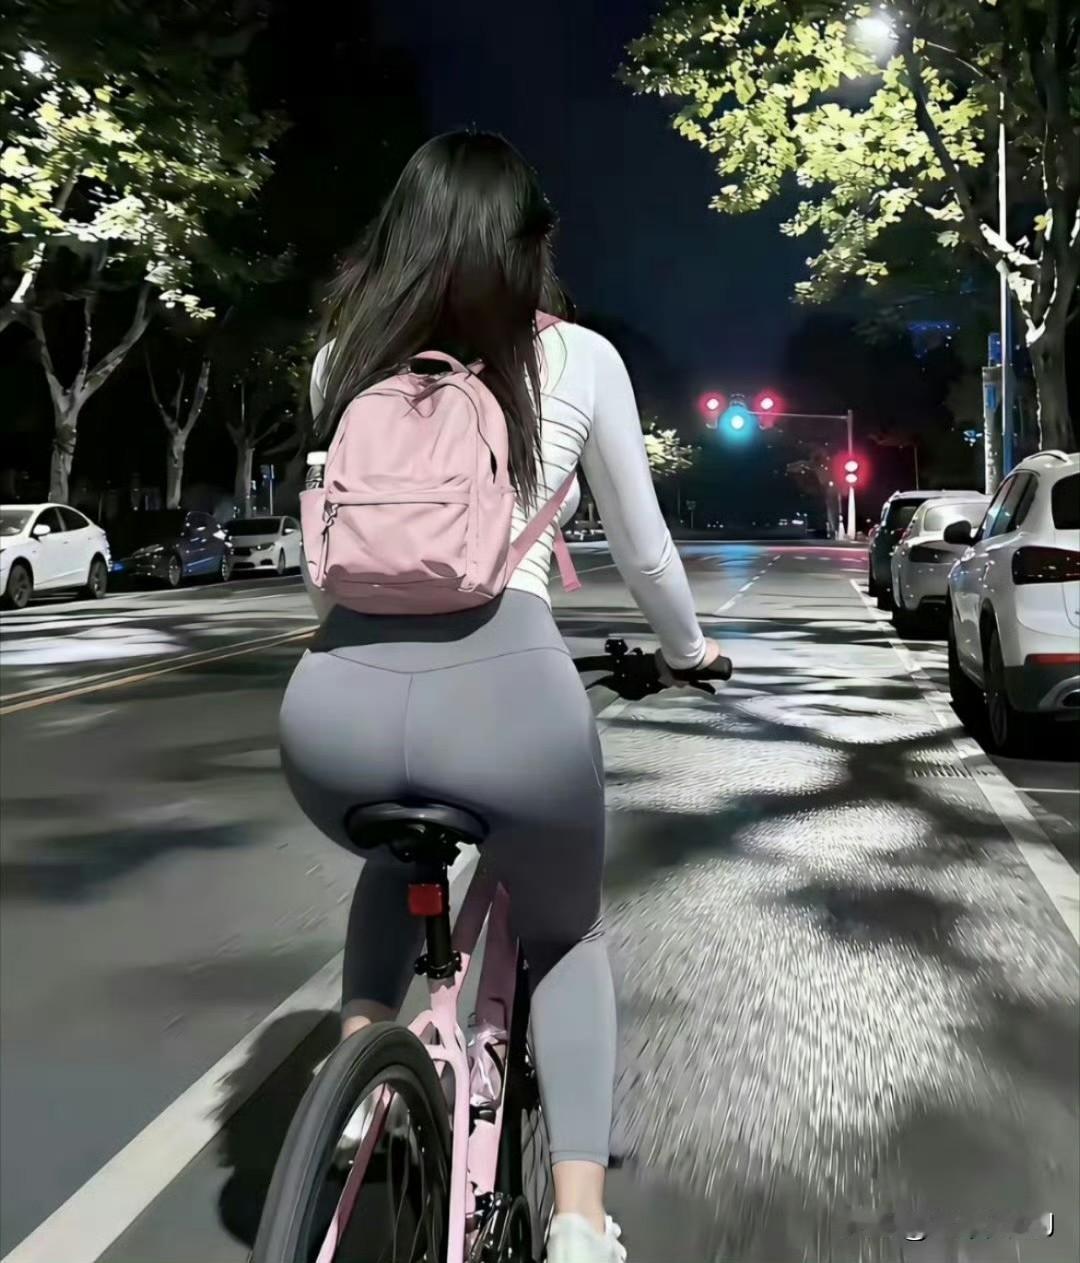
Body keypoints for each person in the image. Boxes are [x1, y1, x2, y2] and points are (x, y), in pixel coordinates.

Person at [279, 130, 723, 1263]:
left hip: (331, 716)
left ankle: (361, 1069)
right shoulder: (579, 361)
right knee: (565, 933)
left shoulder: (342, 360)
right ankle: (578, 1220)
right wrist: (689, 652)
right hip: (509, 709)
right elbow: (646, 554)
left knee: (396, 860)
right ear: (530, 246)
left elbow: (327, 563)